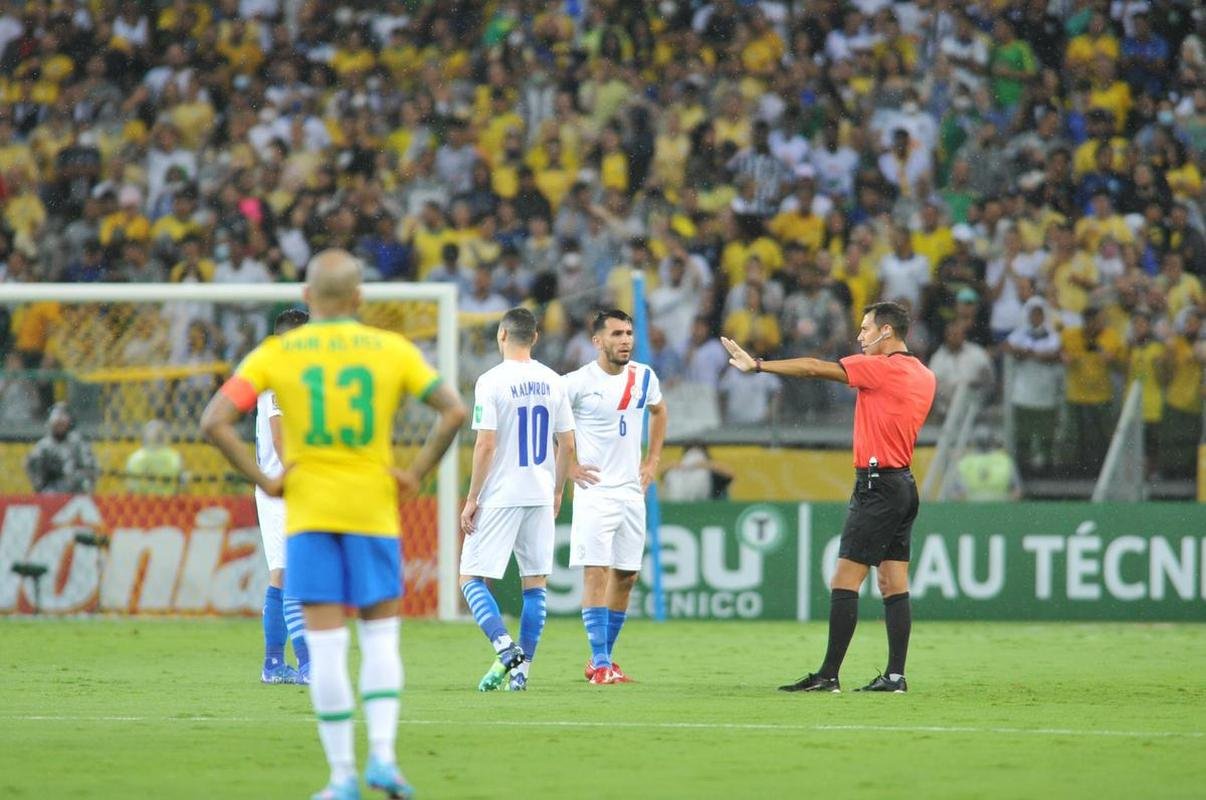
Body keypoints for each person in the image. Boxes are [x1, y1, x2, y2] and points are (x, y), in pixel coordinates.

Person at [201, 249, 466, 800]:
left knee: (324, 647)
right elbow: (453, 411)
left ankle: (343, 775)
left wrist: (266, 479)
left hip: (310, 513)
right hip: (373, 510)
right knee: (380, 639)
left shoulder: (277, 354)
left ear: (305, 297)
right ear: (360, 297)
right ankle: (386, 761)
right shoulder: (390, 350)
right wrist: (415, 472)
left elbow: (214, 420)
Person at [721, 301, 936, 693]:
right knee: (893, 582)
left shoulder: (880, 368)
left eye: (867, 328)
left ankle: (829, 675)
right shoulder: (924, 375)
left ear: (887, 332)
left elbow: (813, 368)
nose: (860, 336)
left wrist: (760, 366)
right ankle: (895, 676)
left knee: (844, 579)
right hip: (904, 483)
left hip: (877, 484)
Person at [459, 307, 593, 693]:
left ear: (502, 336)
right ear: (535, 338)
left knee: (470, 579)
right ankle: (522, 673)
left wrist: (472, 498)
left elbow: (486, 444)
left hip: (501, 494)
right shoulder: (553, 381)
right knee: (535, 585)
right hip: (538, 492)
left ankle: (505, 647)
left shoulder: (491, 381)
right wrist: (557, 491)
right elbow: (567, 443)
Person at [564, 310, 668, 685]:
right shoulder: (575, 383)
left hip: (630, 491)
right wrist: (570, 466)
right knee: (596, 571)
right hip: (594, 491)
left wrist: (652, 460)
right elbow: (552, 424)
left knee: (626, 576)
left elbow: (660, 411)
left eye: (628, 333)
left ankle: (603, 661)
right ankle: (600, 661)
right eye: (617, 334)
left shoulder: (644, 377)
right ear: (597, 341)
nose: (626, 340)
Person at [251, 308, 312, 686]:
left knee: (288, 573)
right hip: (281, 487)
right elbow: (280, 436)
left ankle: (275, 663)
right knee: (289, 573)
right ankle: (306, 664)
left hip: (289, 485)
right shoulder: (278, 380)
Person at [26, 403, 98, 494]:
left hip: (77, 494)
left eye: (63, 422)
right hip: (51, 494)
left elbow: (90, 470)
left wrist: (74, 478)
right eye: (57, 422)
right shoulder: (43, 447)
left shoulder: (78, 443)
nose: (60, 425)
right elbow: (36, 476)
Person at [124, 419, 184, 496]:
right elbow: (180, 485)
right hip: (167, 500)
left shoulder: (136, 457)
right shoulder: (174, 456)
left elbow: (131, 486)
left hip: (143, 501)